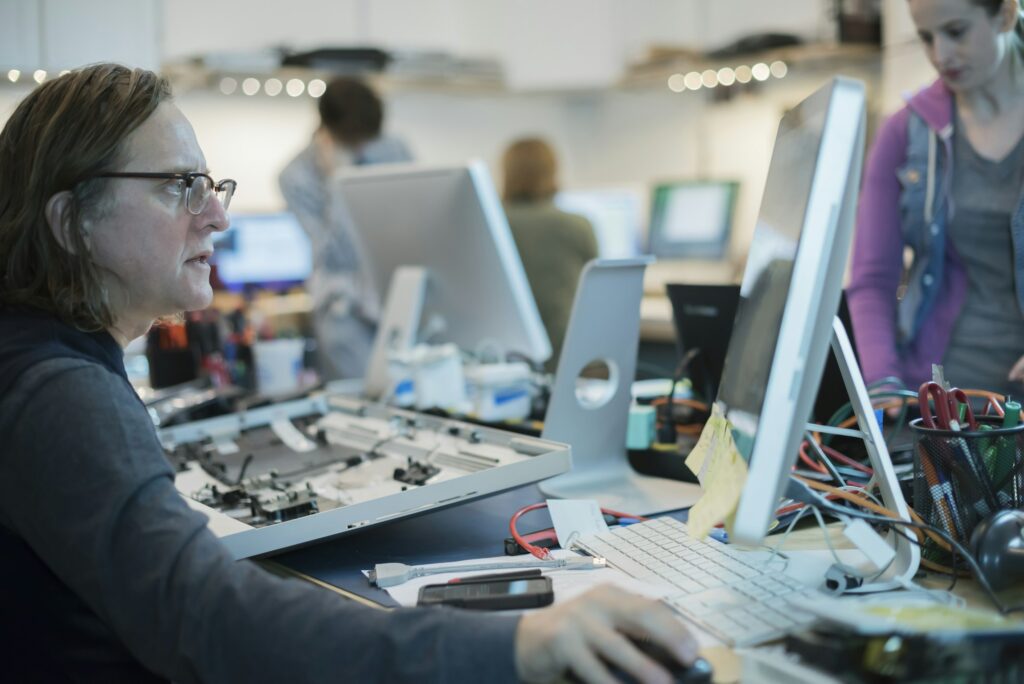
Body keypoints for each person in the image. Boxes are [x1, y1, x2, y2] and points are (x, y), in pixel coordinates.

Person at [0, 64, 698, 683]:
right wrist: (512, 645)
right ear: (72, 222)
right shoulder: (62, 395)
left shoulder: (38, 359)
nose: (217, 215)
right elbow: (210, 621)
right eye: (180, 187)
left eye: (210, 185)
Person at [848, 0, 1024, 396]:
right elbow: (873, 278)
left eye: (956, 31)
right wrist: (882, 381)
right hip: (941, 406)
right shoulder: (905, 131)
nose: (940, 55)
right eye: (926, 38)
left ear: (1006, 14)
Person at [279, 77, 412, 382]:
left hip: (396, 299)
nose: (364, 147)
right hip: (344, 310)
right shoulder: (296, 177)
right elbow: (337, 254)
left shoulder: (393, 150)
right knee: (363, 406)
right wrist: (338, 179)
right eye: (354, 141)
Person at [502, 138, 598, 371]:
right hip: (568, 357)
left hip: (509, 358)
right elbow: (598, 293)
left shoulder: (492, 222)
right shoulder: (577, 225)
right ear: (552, 172)